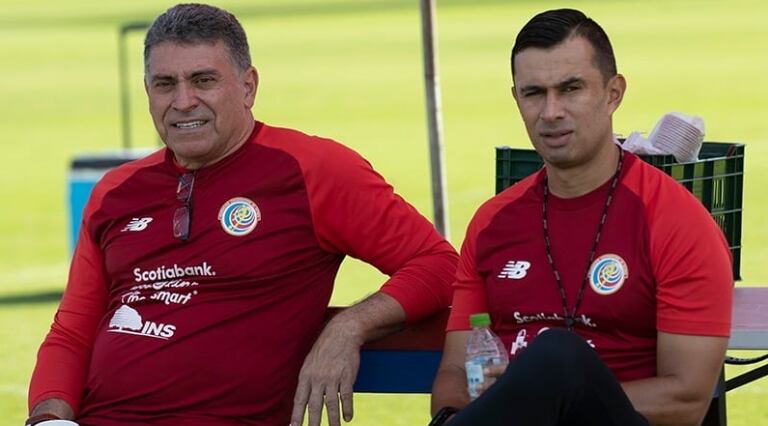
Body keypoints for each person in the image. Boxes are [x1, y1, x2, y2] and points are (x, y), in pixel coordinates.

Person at [26, 4, 458, 426]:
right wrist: (47, 417)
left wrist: (349, 326)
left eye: (203, 80)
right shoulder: (114, 192)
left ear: (248, 86)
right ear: (148, 92)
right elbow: (72, 333)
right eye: (164, 84)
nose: (183, 101)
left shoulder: (312, 169)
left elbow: (438, 265)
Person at [430, 8, 733, 426]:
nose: (551, 111)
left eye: (571, 88)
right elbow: (454, 372)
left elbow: (686, 400)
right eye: (534, 93)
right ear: (516, 97)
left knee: (557, 356)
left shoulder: (678, 222)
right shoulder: (492, 223)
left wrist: (545, 397)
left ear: (613, 93)